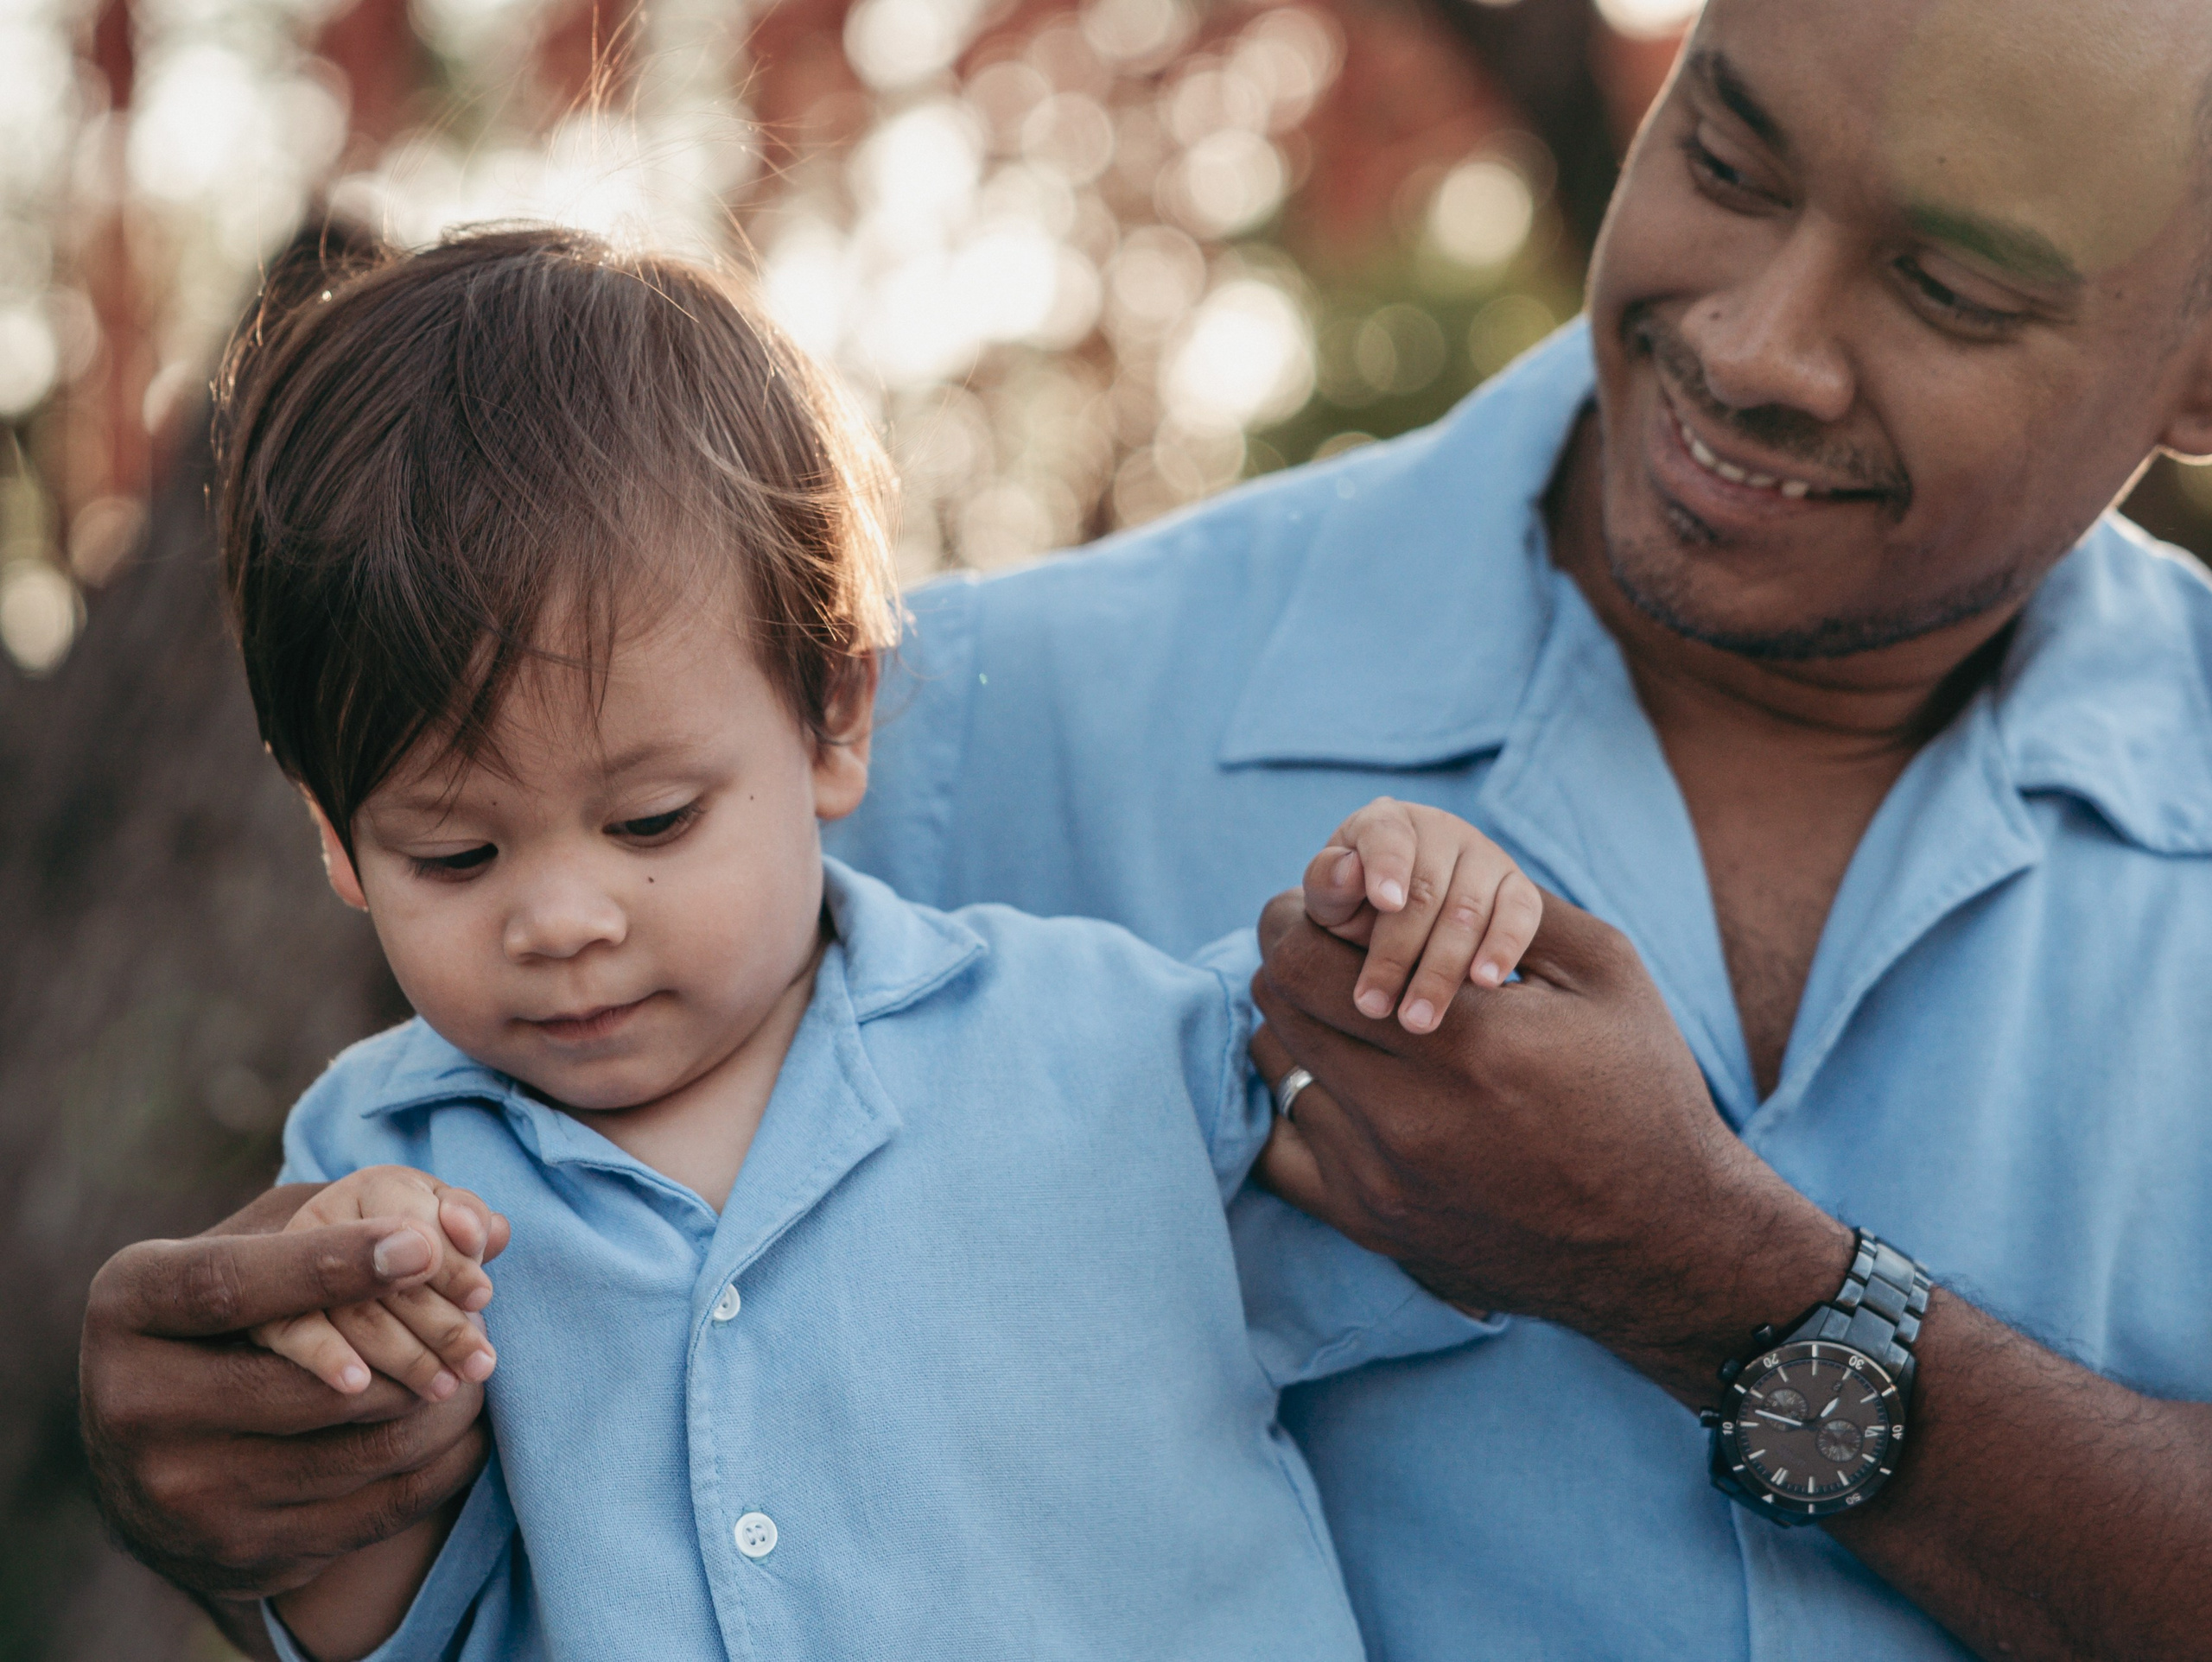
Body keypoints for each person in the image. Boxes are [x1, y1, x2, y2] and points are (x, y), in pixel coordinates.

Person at [76, 0, 2212, 1656]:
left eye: (1954, 287)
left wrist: (1721, 1281)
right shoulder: (946, 732)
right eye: (1721, 158)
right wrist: (261, 1491)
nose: (1750, 343)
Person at [195, 223, 1543, 1660]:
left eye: (652, 821)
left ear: (833, 718)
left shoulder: (1104, 1047)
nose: (564, 922)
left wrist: (1431, 932)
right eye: (454, 856)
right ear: (337, 838)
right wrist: (353, 1393)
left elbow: (1463, 1199)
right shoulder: (374, 1173)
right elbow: (353, 1623)